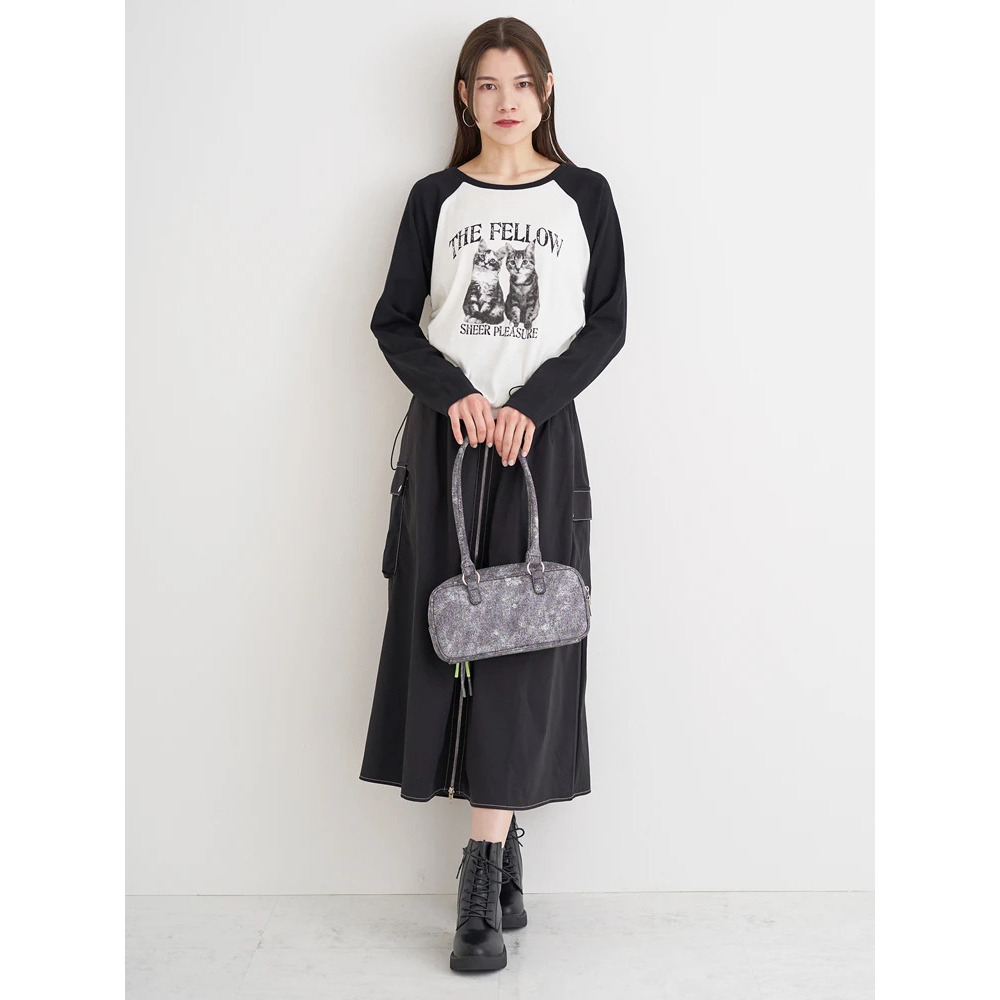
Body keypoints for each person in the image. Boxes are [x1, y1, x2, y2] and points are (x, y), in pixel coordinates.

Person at [358, 16, 627, 972]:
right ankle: (501, 852)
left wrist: (532, 406)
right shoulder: (435, 199)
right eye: (486, 84)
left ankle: (478, 877)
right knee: (450, 638)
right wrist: (459, 397)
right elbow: (395, 321)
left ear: (545, 91)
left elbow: (606, 324)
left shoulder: (585, 196)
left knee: (527, 643)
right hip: (453, 443)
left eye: (521, 83)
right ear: (465, 97)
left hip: (539, 446)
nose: (505, 101)